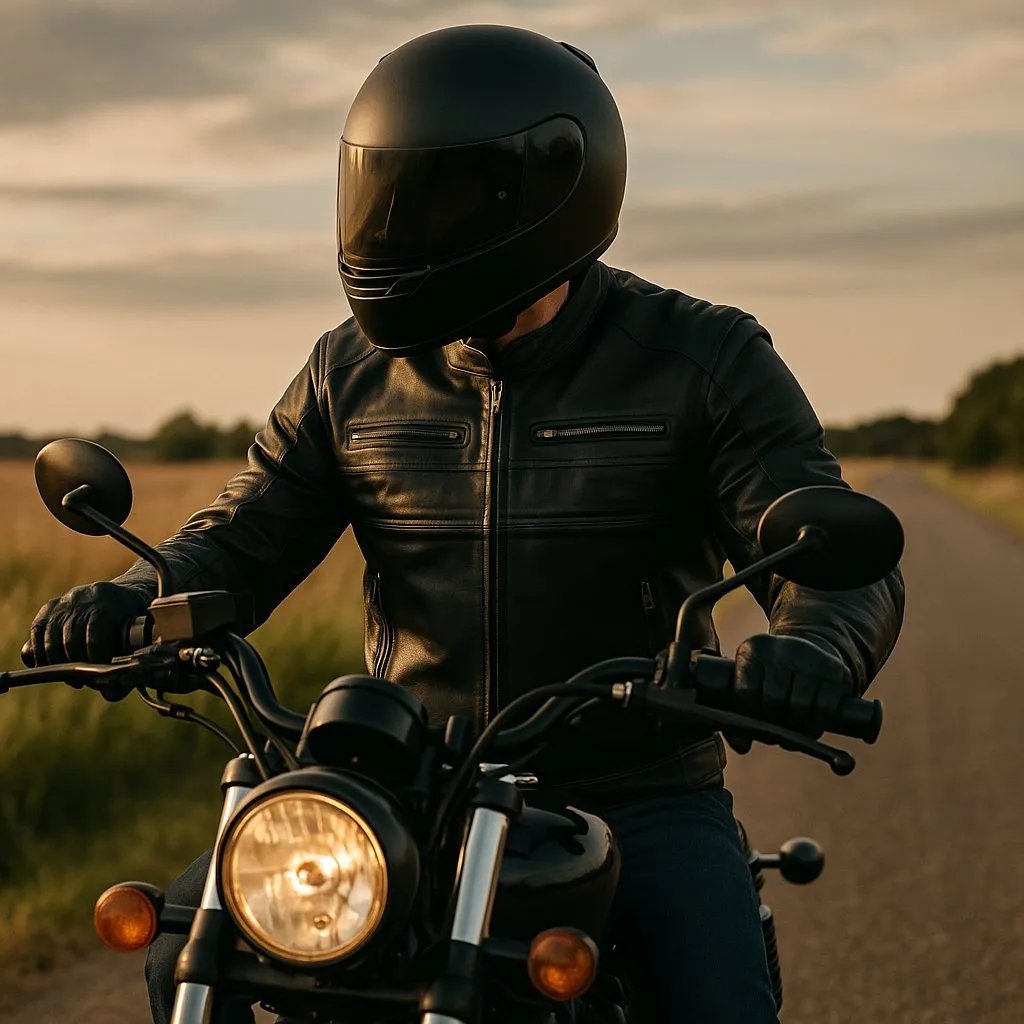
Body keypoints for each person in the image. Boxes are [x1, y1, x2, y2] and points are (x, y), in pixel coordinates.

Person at [29, 25, 904, 1023]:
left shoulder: (701, 360)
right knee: (191, 941)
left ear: (539, 194)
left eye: (433, 199)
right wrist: (133, 599)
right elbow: (242, 533)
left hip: (634, 784)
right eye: (386, 195)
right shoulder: (347, 373)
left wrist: (811, 647)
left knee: (716, 1000)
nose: (400, 225)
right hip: (404, 782)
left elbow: (834, 558)